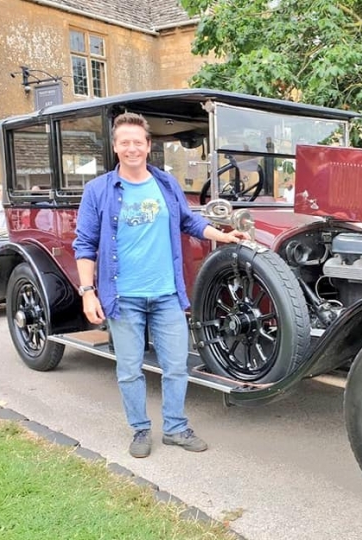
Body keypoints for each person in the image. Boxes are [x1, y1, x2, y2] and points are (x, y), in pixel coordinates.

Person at [73, 112, 248, 459]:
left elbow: (188, 221)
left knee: (175, 366)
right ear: (115, 147)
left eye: (138, 142)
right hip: (123, 297)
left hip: (166, 293)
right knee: (129, 369)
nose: (132, 148)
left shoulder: (165, 183)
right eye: (125, 142)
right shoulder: (98, 190)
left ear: (148, 146)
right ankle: (140, 429)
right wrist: (87, 291)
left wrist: (222, 236)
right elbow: (85, 243)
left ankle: (175, 427)